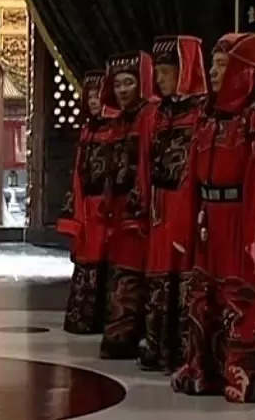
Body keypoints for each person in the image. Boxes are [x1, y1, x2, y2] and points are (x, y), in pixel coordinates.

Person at [172, 32, 255, 403]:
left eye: (222, 65)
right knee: (206, 298)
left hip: (246, 218)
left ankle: (251, 379)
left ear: (242, 71)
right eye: (213, 65)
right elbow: (190, 170)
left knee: (246, 300)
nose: (214, 73)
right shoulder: (207, 113)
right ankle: (205, 373)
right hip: (210, 219)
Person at [137, 35, 209, 371]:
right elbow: (144, 161)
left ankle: (186, 349)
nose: (160, 78)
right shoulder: (155, 113)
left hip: (188, 202)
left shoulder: (203, 112)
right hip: (160, 204)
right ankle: (158, 346)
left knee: (186, 270)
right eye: (159, 72)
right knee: (159, 271)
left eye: (166, 72)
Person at [97, 52, 155, 358]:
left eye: (128, 83)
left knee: (136, 270)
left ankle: (132, 337)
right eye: (118, 84)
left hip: (141, 207)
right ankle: (122, 336)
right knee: (121, 270)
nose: (122, 90)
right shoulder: (118, 121)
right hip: (119, 209)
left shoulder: (150, 115)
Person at [57, 71, 112, 334]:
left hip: (106, 205)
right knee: (87, 256)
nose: (93, 101)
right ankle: (84, 317)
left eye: (98, 95)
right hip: (87, 204)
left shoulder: (117, 130)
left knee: (104, 258)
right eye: (89, 96)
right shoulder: (87, 131)